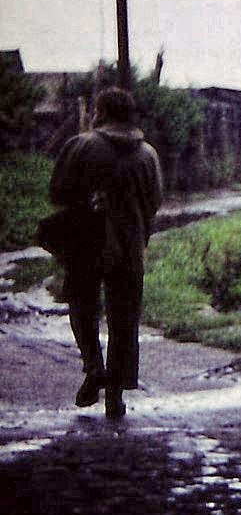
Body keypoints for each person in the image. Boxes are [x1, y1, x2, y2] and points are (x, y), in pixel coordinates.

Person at [50, 86, 163, 419]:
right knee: (124, 320)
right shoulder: (148, 155)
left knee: (83, 307)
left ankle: (93, 366)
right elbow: (155, 201)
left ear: (100, 112)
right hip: (130, 247)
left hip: (86, 244)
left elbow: (57, 193)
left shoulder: (80, 146)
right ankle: (114, 396)